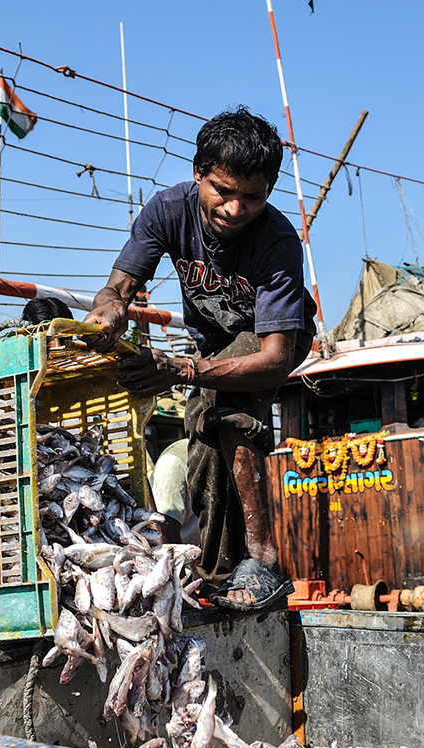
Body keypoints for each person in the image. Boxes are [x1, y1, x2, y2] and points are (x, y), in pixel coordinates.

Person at [86, 107, 317, 612]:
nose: (235, 209)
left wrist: (184, 369)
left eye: (251, 197)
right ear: (198, 174)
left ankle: (266, 561)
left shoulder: (276, 241)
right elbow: (117, 286)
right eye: (222, 190)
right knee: (203, 435)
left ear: (270, 190)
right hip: (213, 346)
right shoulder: (168, 210)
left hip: (272, 339)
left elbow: (276, 358)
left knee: (225, 410)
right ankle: (221, 572)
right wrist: (110, 310)